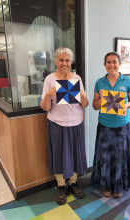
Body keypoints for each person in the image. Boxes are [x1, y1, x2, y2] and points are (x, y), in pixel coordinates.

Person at [40, 48, 89, 205]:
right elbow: (45, 107)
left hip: (76, 123)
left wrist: (84, 97)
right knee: (60, 155)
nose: (64, 63)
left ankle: (73, 183)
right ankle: (61, 186)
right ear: (56, 61)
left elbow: (84, 105)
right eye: (61, 60)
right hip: (57, 123)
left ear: (71, 62)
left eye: (67, 60)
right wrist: (48, 95)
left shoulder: (77, 78)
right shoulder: (49, 79)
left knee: (75, 154)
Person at [91, 51, 130, 198]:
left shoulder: (127, 81)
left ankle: (118, 186)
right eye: (108, 62)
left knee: (120, 157)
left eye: (114, 62)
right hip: (105, 126)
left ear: (119, 64)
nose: (111, 65)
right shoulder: (100, 82)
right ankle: (106, 185)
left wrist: (126, 106)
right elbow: (94, 105)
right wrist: (102, 98)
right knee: (105, 157)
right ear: (105, 65)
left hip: (122, 126)